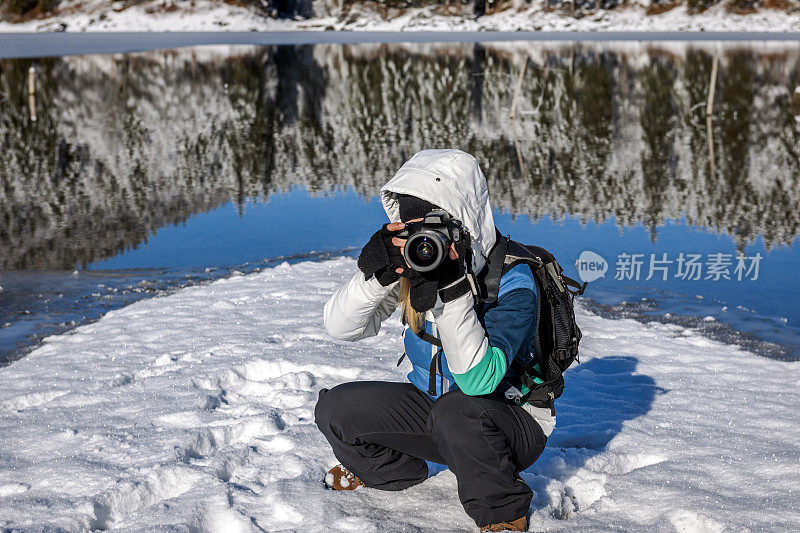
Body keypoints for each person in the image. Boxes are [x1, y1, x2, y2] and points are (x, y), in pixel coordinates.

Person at [314, 149, 556, 532]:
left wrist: (453, 288)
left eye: (434, 226)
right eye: (412, 227)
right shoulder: (417, 266)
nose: (424, 239)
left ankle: (504, 511)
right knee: (334, 410)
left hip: (509, 422)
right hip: (433, 410)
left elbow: (479, 382)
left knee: (458, 411)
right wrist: (379, 272)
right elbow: (341, 328)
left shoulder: (513, 279)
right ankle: (396, 473)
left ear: (466, 224)